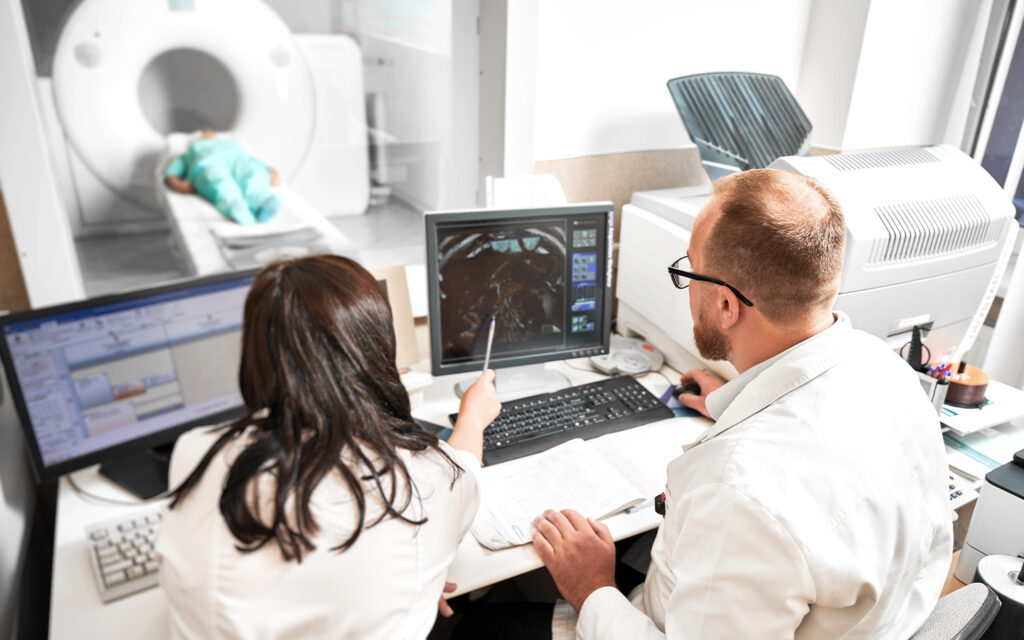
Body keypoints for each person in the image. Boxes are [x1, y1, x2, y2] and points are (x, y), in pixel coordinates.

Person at [532, 169, 952, 638]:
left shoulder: (740, 495)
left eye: (687, 269)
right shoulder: (886, 368)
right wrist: (737, 402)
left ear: (727, 306)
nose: (686, 285)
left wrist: (591, 590)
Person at [156, 255, 501, 639]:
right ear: (377, 351)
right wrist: (471, 418)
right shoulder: (429, 481)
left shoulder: (197, 452)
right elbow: (466, 472)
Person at [163, 129, 283, 226]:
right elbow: (172, 173)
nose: (207, 132)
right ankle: (233, 205)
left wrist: (269, 171)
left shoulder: (231, 144)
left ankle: (263, 202)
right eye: (203, 132)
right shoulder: (191, 151)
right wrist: (177, 183)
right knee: (218, 181)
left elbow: (251, 160)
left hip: (238, 161)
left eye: (210, 131)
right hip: (207, 164)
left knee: (252, 173)